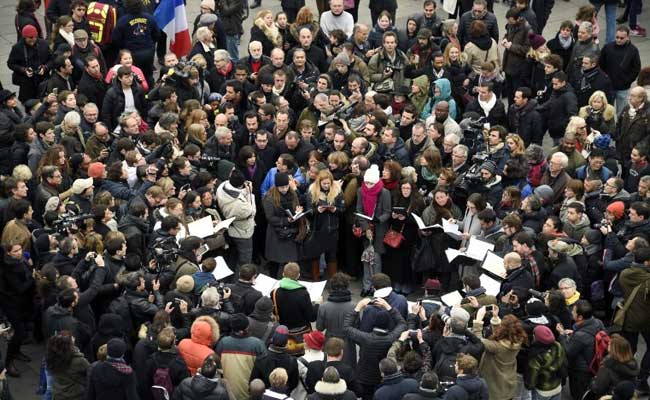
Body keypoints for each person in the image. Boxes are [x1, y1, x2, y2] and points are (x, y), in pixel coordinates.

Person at [343, 297, 406, 400]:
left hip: (363, 376)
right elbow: (402, 324)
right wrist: (388, 307)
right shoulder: (390, 338)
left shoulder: (365, 338)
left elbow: (346, 327)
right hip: (381, 377)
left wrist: (358, 307)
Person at [556, 300, 606, 399]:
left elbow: (568, 351)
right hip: (594, 364)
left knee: (579, 394)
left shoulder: (580, 336)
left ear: (580, 317)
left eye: (573, 311)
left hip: (580, 371)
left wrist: (562, 335)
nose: (571, 313)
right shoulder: (597, 322)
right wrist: (573, 333)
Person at [355, 164, 391, 296]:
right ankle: (366, 285)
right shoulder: (361, 191)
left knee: (376, 259)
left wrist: (378, 219)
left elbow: (387, 212)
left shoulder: (384, 193)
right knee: (366, 259)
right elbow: (359, 210)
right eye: (367, 182)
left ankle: (377, 287)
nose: (368, 185)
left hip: (379, 230)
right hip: (367, 229)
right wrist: (366, 227)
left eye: (371, 183)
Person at [618, 247, 650, 393]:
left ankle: (627, 378)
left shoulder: (624, 274)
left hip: (628, 317)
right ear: (647, 262)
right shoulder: (648, 279)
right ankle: (642, 379)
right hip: (646, 320)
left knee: (630, 350)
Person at [46, 333, 91, 400]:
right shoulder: (79, 361)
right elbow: (91, 374)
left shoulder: (51, 359)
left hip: (58, 395)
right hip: (76, 396)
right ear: (67, 346)